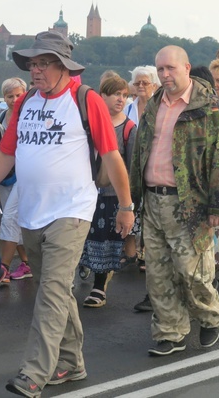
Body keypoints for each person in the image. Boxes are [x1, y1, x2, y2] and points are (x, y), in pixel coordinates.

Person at [0, 31, 135, 397]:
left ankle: (35, 371)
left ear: (63, 66)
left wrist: (126, 206)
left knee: (52, 292)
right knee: (55, 292)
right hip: (32, 212)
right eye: (32, 63)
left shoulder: (85, 99)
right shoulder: (26, 102)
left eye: (43, 63)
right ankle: (72, 362)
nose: (35, 70)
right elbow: (6, 154)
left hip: (72, 211)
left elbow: (111, 156)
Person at [130, 45, 219, 357]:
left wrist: (216, 207)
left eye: (170, 68)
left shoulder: (211, 107)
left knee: (192, 272)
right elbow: (141, 150)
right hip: (153, 199)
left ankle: (209, 315)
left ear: (186, 68)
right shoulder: (155, 103)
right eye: (160, 69)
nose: (164, 75)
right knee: (158, 273)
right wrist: (134, 198)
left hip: (189, 204)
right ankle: (170, 331)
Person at [79, 75, 137, 308]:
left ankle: (99, 287)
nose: (121, 99)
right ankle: (88, 271)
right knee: (85, 239)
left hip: (112, 196)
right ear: (101, 96)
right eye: (116, 94)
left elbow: (132, 167)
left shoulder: (129, 128)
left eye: (124, 95)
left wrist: (130, 203)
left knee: (105, 243)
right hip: (86, 192)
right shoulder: (88, 123)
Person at [0, 78, 33, 286]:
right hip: (5, 175)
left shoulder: (28, 115)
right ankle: (26, 262)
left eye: (18, 95)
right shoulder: (1, 116)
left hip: (22, 175)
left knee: (10, 217)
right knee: (14, 219)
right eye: (10, 96)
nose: (14, 99)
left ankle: (4, 268)